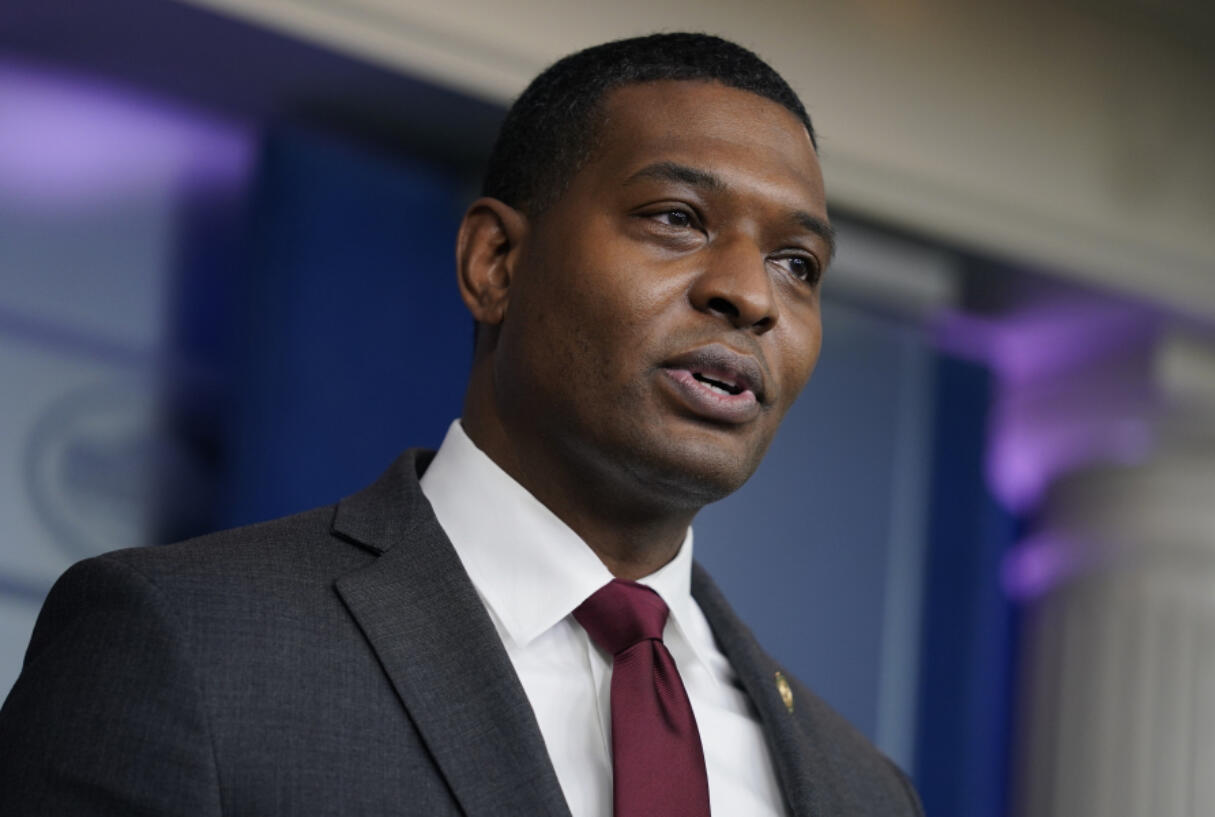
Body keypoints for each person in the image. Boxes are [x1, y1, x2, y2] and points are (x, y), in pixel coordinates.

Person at [0, 33, 923, 817]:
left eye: (798, 263)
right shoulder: (184, 643)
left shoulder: (865, 788)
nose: (751, 294)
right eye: (677, 217)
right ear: (494, 263)